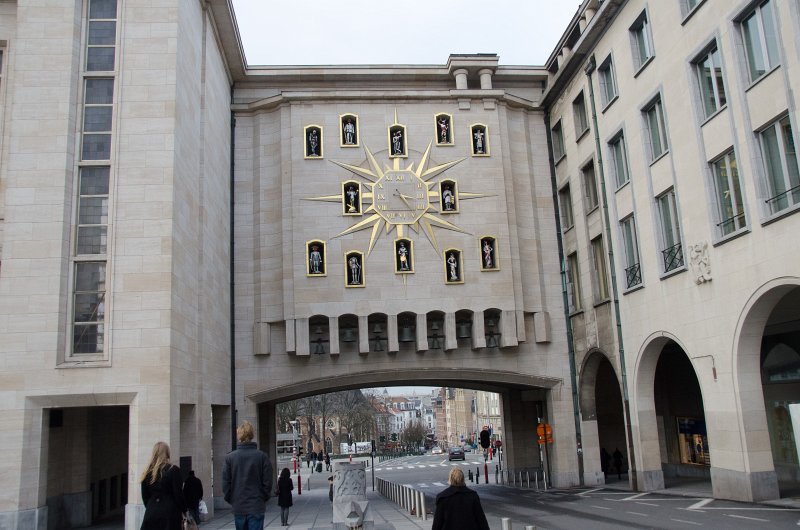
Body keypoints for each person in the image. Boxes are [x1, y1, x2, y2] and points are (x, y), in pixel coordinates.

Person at [222, 421, 274, 530]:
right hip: (256, 504)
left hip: (239, 505)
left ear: (239, 436)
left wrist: (232, 499)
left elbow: (226, 483)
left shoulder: (230, 458)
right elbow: (268, 483)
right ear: (252, 435)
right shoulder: (262, 457)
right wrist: (262, 498)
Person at [140, 441, 187, 530]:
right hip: (170, 512)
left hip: (151, 511)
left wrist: (152, 506)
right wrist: (184, 510)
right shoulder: (173, 470)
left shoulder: (147, 472)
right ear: (167, 453)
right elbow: (178, 494)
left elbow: (145, 496)